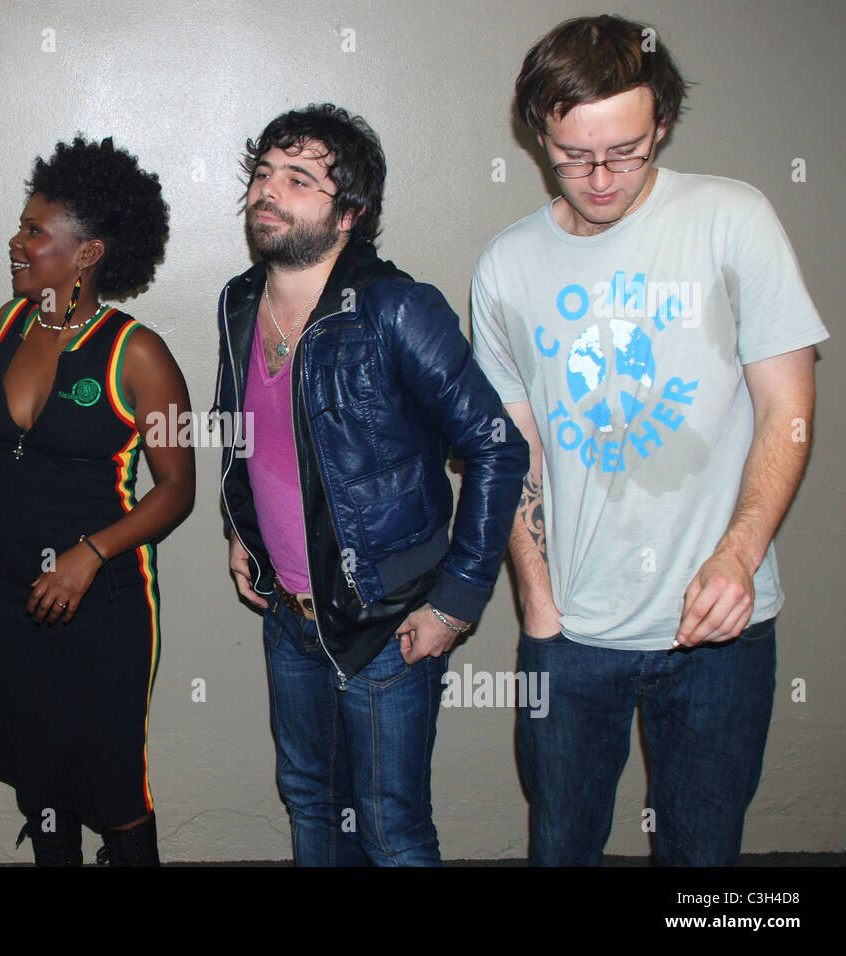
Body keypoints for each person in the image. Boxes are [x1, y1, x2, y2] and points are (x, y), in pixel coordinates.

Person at [471, 15, 827, 866]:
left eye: (626, 151)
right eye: (572, 154)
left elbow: (788, 412)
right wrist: (539, 606)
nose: (599, 177)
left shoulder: (733, 218)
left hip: (720, 635)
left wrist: (740, 555)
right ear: (537, 135)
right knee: (561, 849)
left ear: (661, 122)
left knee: (703, 864)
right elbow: (510, 450)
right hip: (572, 636)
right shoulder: (506, 266)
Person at [217, 104, 528, 866]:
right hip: (290, 615)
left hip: (386, 620)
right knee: (311, 801)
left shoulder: (395, 308)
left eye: (299, 179)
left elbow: (498, 449)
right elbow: (237, 421)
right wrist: (239, 528)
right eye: (263, 173)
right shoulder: (238, 300)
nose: (269, 191)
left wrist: (454, 604)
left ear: (350, 213)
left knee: (391, 830)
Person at [0, 137, 193, 866]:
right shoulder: (7, 325)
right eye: (21, 227)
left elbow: (178, 490)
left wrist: (91, 553)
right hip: (13, 591)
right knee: (39, 776)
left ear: (87, 253)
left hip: (100, 602)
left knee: (111, 783)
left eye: (34, 231)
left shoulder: (138, 354)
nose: (16, 242)